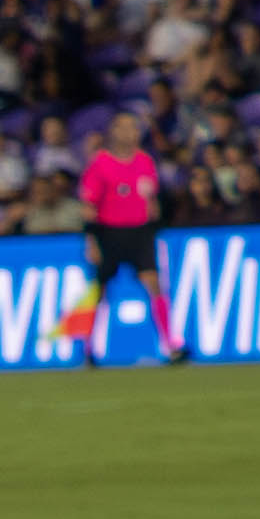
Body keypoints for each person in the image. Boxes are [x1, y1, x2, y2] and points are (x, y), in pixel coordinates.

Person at [75, 110, 188, 367]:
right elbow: (88, 205)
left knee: (154, 283)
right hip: (108, 233)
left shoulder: (144, 161)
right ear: (114, 132)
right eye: (125, 128)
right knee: (99, 292)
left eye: (134, 128)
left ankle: (171, 345)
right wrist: (91, 241)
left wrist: (154, 221)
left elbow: (151, 200)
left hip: (140, 232)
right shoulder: (100, 163)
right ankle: (88, 349)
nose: (131, 133)